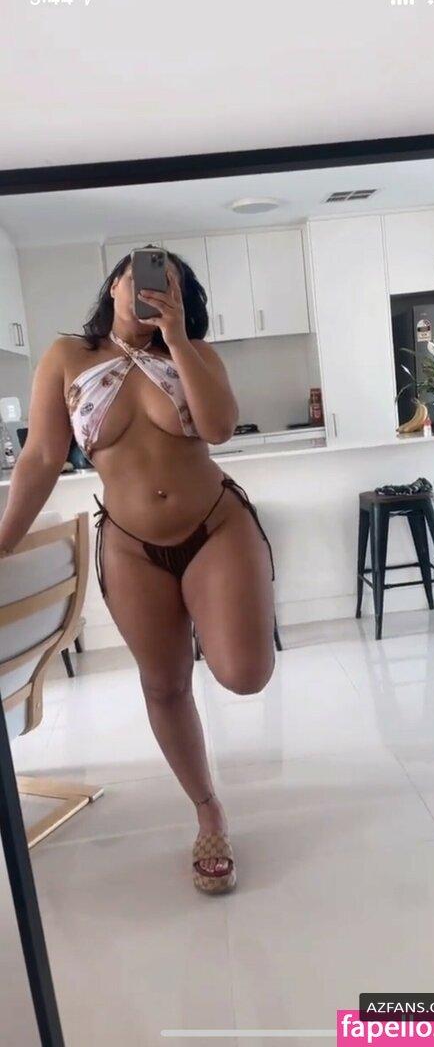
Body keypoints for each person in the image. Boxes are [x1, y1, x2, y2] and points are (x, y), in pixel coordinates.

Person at [0, 247, 277, 894]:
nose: (149, 288)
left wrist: (175, 337)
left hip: (215, 527)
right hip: (129, 544)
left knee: (245, 674)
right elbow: (41, 457)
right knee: (164, 685)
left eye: (167, 282)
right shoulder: (66, 357)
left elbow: (219, 427)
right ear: (114, 286)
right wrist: (4, 543)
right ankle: (208, 811)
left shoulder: (195, 353)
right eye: (139, 276)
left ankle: (236, 605)